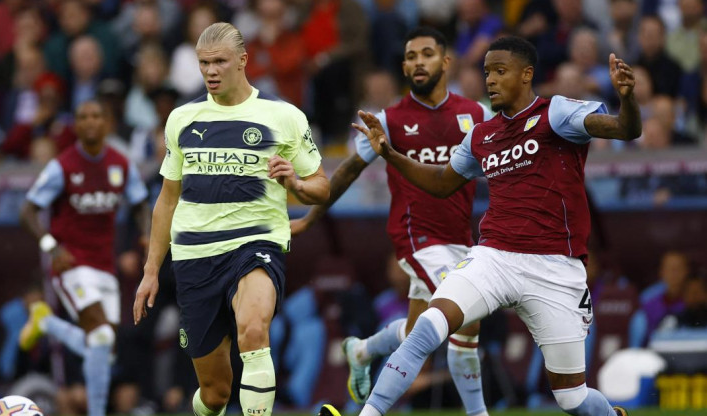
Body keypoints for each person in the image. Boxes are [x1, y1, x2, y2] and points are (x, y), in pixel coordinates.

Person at [321, 36, 641, 416]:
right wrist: (390, 153)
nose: (490, 80)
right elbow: (441, 182)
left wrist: (629, 99)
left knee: (571, 398)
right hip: (494, 258)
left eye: (500, 71)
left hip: (555, 269)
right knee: (429, 324)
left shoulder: (555, 114)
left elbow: (625, 129)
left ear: (527, 75)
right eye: (487, 72)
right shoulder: (481, 136)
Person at [133, 22, 329, 416]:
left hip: (256, 244)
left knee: (254, 331)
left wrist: (296, 183)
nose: (210, 71)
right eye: (204, 63)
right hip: (194, 258)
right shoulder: (181, 119)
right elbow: (167, 201)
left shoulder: (283, 115)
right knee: (215, 392)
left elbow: (321, 185)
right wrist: (151, 270)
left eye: (219, 61)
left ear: (242, 61)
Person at [293, 27, 491, 416]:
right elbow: (348, 170)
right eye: (411, 56)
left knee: (432, 327)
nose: (418, 62)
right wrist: (311, 218)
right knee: (461, 317)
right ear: (404, 66)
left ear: (445, 62)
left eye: (427, 54)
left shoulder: (475, 114)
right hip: (417, 235)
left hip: (460, 237)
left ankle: (363, 349)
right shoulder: (388, 120)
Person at [18, 100, 151, 416]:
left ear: (107, 123)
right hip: (71, 264)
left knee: (105, 351)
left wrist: (144, 233)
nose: (90, 122)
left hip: (105, 265)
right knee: (101, 336)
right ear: (76, 125)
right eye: (83, 117)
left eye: (97, 116)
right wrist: (52, 246)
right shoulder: (62, 166)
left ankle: (46, 322)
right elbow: (27, 212)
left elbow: (141, 204)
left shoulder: (121, 164)